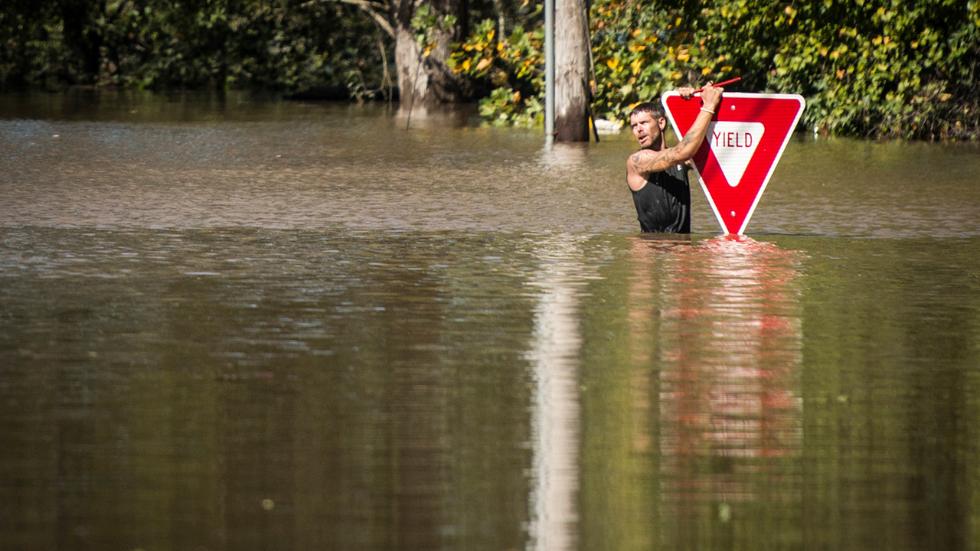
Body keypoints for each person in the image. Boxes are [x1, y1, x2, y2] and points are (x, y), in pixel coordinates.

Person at [626, 83, 724, 233]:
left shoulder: (683, 159)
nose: (638, 129)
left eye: (644, 123)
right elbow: (682, 151)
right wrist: (709, 106)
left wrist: (695, 100)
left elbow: (704, 148)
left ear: (661, 123)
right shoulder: (637, 161)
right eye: (634, 126)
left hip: (682, 249)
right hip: (652, 250)